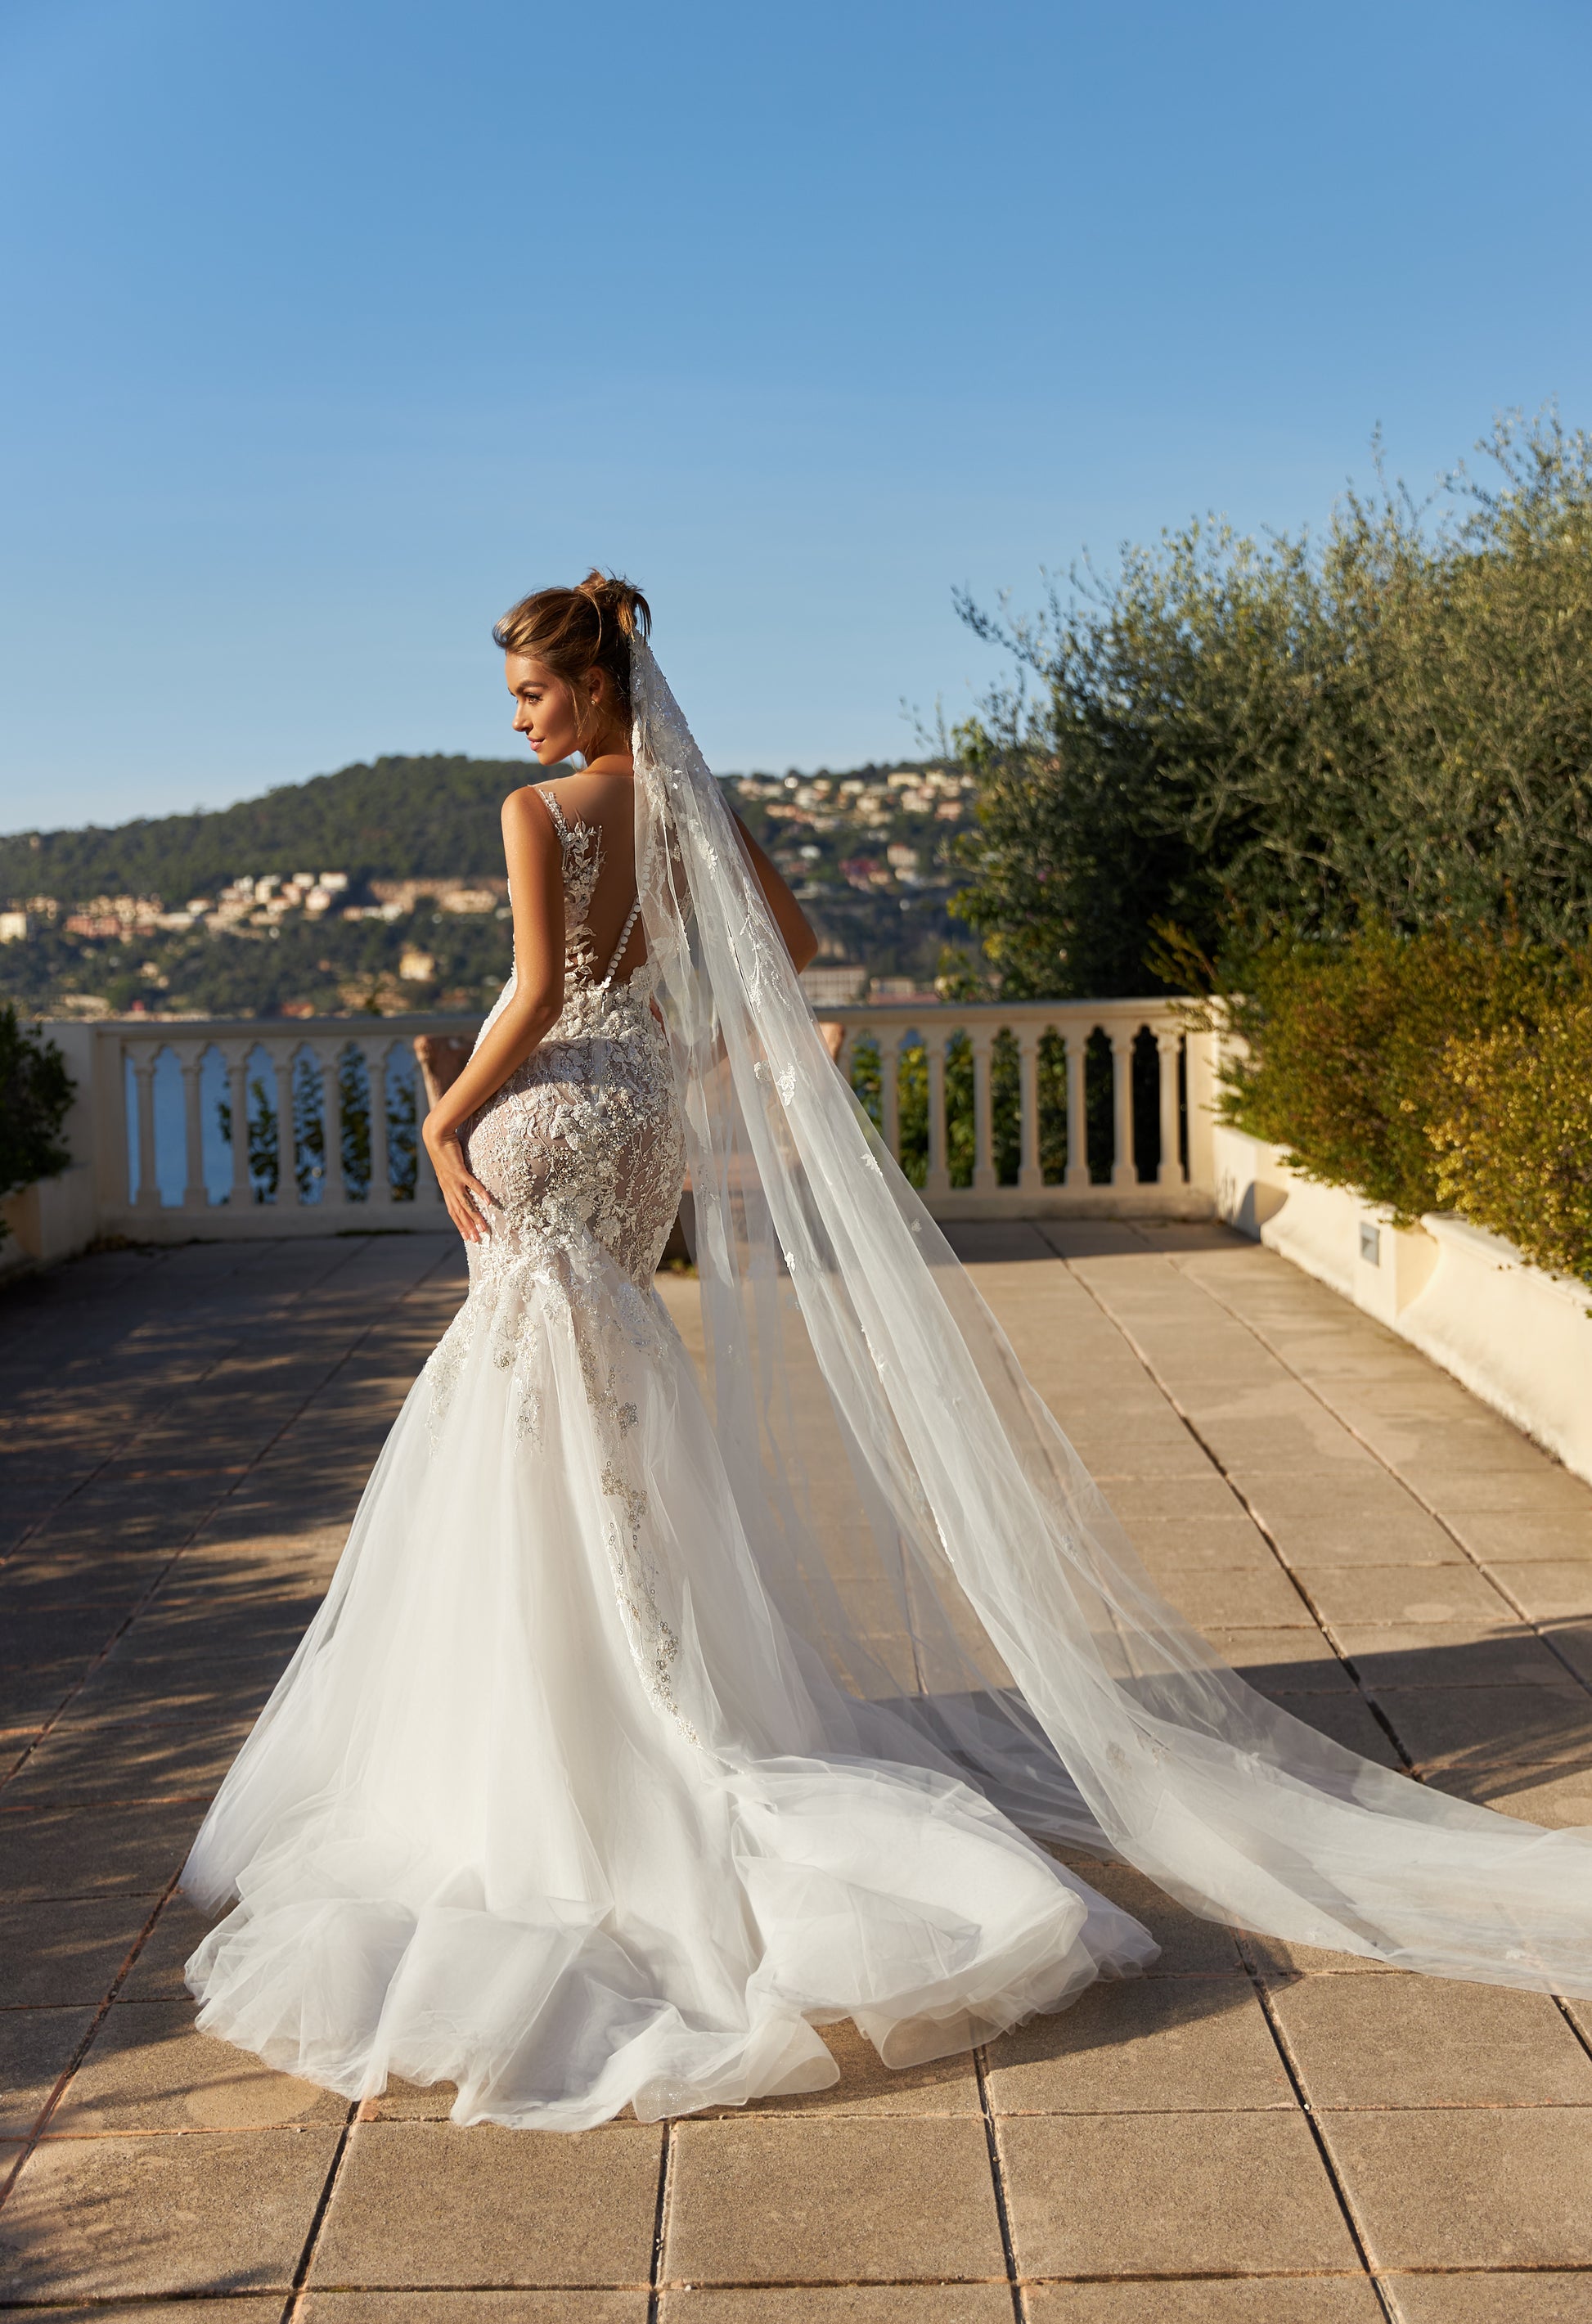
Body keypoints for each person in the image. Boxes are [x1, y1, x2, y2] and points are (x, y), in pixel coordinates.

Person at [182, 573, 1592, 2132]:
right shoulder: (692, 806)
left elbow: (526, 989)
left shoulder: (544, 813)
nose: (516, 721)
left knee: (531, 1388)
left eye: (529, 693)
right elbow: (782, 950)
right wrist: (669, 1059)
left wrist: (445, 1110)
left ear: (586, 687)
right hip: (636, 1115)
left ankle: (587, 1720)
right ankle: (646, 1672)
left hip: (552, 1109)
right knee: (602, 1381)